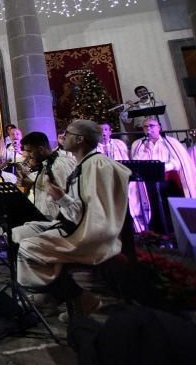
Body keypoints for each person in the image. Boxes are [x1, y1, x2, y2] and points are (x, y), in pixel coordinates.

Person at [13, 120, 130, 318]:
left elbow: (94, 213)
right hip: (70, 221)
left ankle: (63, 296)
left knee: (28, 247)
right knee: (18, 232)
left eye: (67, 133)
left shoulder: (97, 165)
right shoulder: (82, 164)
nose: (62, 137)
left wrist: (61, 199)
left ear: (79, 139)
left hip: (87, 232)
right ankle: (54, 295)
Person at [129, 119, 196, 232]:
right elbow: (136, 162)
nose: (149, 129)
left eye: (151, 126)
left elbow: (178, 161)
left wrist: (163, 167)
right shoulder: (139, 145)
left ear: (159, 127)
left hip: (168, 181)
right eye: (145, 127)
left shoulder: (170, 142)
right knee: (154, 209)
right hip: (149, 183)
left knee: (169, 209)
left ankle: (175, 231)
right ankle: (158, 232)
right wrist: (144, 152)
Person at [20, 131, 76, 220]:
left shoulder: (59, 164)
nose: (27, 156)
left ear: (41, 149)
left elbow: (66, 194)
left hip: (57, 221)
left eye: (30, 151)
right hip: (45, 217)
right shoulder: (45, 163)